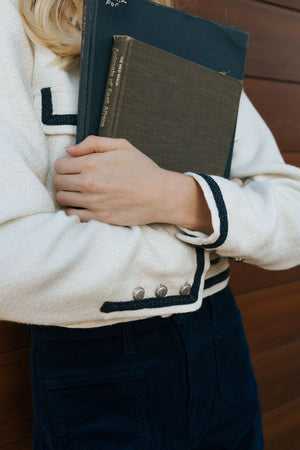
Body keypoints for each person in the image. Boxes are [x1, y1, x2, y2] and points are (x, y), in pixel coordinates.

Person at [1, 0, 299, 448]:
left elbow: (292, 215)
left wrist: (177, 197)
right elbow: (10, 264)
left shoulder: (178, 34)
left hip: (221, 337)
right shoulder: (10, 24)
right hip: (96, 361)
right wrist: (219, 230)